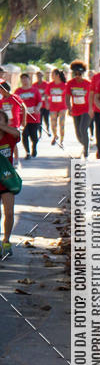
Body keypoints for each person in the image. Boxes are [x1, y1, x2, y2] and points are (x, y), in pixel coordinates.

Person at [0, 110, 20, 258]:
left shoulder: (10, 137)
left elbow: (17, 133)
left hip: (7, 180)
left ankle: (6, 241)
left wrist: (3, 127)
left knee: (9, 212)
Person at [65, 60, 92, 157]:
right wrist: (69, 108)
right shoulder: (70, 83)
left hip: (86, 110)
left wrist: (92, 109)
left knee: (83, 129)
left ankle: (86, 149)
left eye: (79, 73)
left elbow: (92, 96)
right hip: (76, 110)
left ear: (83, 73)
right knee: (78, 134)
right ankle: (85, 143)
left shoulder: (88, 83)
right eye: (75, 74)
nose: (77, 76)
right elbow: (67, 97)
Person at [14, 74, 42, 159]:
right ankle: (28, 152)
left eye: (26, 79)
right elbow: (14, 103)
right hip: (23, 118)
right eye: (22, 79)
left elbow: (40, 102)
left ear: (29, 80)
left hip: (34, 117)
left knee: (34, 136)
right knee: (25, 135)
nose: (24, 81)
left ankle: (34, 148)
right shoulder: (18, 91)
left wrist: (37, 108)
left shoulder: (35, 90)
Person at [47, 69, 67, 146]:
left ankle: (62, 140)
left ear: (57, 75)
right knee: (53, 124)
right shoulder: (50, 85)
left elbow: (68, 96)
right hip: (53, 106)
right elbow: (47, 94)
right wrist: (47, 103)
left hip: (62, 107)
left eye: (53, 74)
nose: (51, 76)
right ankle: (55, 136)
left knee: (61, 124)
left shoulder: (64, 85)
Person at [34, 71, 50, 136]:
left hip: (45, 105)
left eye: (40, 76)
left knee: (46, 119)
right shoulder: (34, 85)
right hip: (38, 106)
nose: (39, 77)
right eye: (38, 76)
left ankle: (48, 129)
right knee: (39, 120)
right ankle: (40, 133)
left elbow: (49, 93)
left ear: (42, 76)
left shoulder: (46, 84)